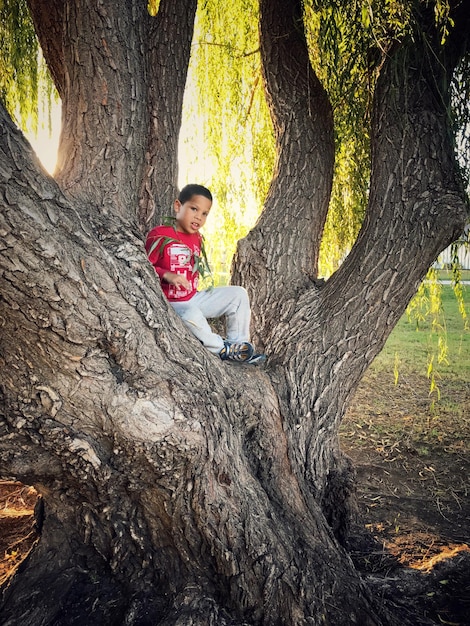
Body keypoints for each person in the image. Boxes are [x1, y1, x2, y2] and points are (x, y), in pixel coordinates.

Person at [145, 184, 265, 364]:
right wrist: (167, 275)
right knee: (192, 314)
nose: (198, 217)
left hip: (193, 297)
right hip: (172, 304)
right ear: (178, 206)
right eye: (194, 209)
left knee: (238, 294)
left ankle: (238, 345)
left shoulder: (197, 238)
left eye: (204, 213)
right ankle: (221, 349)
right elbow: (143, 267)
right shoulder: (160, 234)